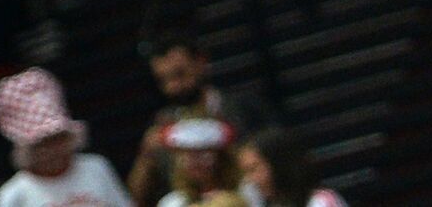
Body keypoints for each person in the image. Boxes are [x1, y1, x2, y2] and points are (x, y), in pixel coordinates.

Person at [129, 34, 274, 207]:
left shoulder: (244, 109)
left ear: (201, 62)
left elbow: (276, 167)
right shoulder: (161, 126)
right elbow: (134, 198)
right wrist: (146, 156)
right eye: (163, 80)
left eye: (179, 74)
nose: (173, 86)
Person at [0, 68, 133, 207]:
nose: (54, 149)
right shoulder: (13, 195)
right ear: (26, 150)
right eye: (43, 143)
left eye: (59, 137)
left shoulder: (96, 168)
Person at [236, 128, 347, 207]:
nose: (250, 180)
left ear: (278, 165)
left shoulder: (320, 202)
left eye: (253, 169)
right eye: (245, 172)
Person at [154, 119, 246, 207]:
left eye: (203, 153)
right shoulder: (172, 202)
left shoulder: (245, 193)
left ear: (221, 157)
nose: (194, 161)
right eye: (187, 154)